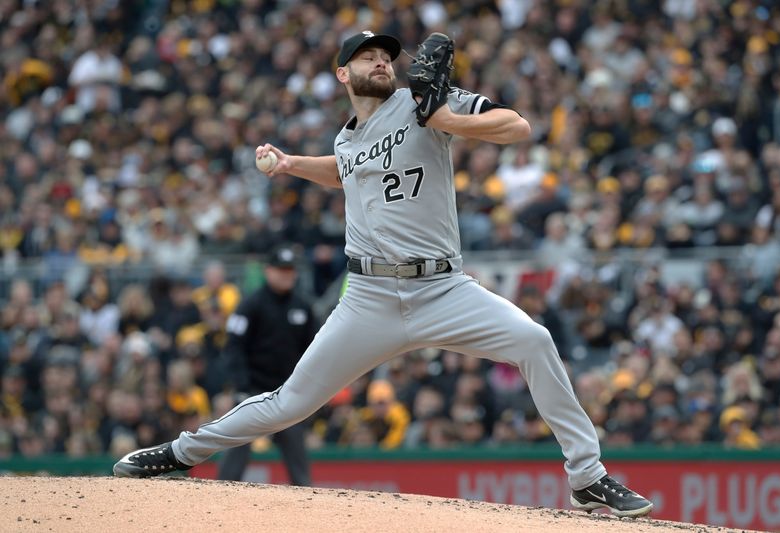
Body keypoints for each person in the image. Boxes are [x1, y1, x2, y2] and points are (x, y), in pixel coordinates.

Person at [113, 31, 653, 518]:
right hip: (367, 296)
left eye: (385, 55)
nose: (380, 61)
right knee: (290, 402)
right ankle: (181, 452)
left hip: (442, 287)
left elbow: (517, 125)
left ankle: (588, 477)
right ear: (343, 74)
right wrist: (294, 164)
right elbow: (348, 170)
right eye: (366, 56)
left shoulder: (422, 103)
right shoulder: (347, 138)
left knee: (534, 341)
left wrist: (446, 120)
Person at [215, 244, 316, 485]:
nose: (286, 275)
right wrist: (240, 387)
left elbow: (314, 351)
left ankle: (308, 507)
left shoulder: (302, 307)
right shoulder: (251, 306)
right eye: (281, 269)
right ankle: (219, 499)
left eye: (290, 270)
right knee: (235, 450)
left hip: (287, 394)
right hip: (253, 392)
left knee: (298, 461)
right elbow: (234, 347)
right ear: (268, 271)